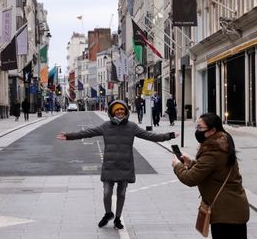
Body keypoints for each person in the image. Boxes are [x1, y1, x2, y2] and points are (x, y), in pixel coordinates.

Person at [57, 99, 177, 230]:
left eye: (122, 110)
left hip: (125, 165)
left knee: (121, 193)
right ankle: (108, 213)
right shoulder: (105, 126)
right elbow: (87, 133)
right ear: (112, 112)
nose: (120, 112)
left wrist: (169, 135)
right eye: (117, 110)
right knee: (107, 193)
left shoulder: (132, 127)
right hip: (110, 164)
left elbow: (150, 136)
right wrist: (69, 136)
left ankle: (118, 218)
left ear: (125, 111)